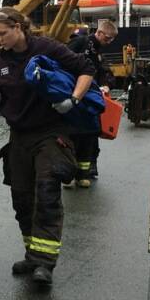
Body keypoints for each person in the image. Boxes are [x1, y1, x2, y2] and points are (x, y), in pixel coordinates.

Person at [0, 7, 95, 286]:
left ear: (18, 28)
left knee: (46, 193)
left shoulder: (46, 48)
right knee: (22, 198)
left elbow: (86, 70)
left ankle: (46, 264)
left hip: (50, 132)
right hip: (19, 136)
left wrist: (72, 99)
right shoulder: (0, 59)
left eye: (3, 34)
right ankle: (33, 254)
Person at [67, 19, 117, 186]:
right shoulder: (80, 43)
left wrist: (106, 84)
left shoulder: (97, 50)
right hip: (78, 93)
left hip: (90, 94)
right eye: (108, 38)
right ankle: (71, 171)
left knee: (91, 133)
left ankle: (86, 170)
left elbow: (101, 70)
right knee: (75, 133)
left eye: (111, 40)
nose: (109, 42)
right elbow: (65, 62)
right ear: (100, 33)